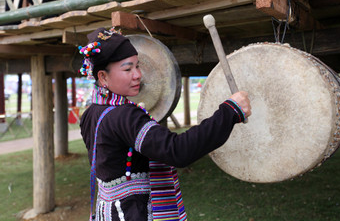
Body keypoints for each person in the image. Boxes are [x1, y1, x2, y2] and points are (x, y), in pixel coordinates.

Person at [79, 27, 251, 221]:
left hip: (108, 211)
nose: (137, 75)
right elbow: (177, 151)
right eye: (128, 69)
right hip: (132, 213)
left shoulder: (91, 112)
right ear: (102, 77)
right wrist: (230, 111)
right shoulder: (124, 115)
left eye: (138, 66)